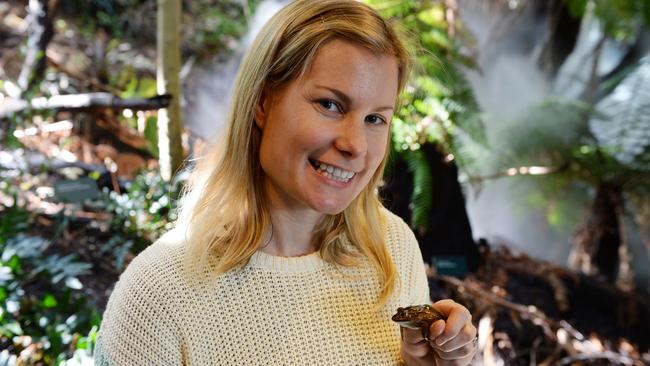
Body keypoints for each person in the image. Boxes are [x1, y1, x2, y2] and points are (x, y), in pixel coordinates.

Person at [95, 0, 478, 365]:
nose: (355, 145)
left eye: (375, 119)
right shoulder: (157, 293)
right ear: (262, 102)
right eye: (330, 104)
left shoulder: (392, 248)